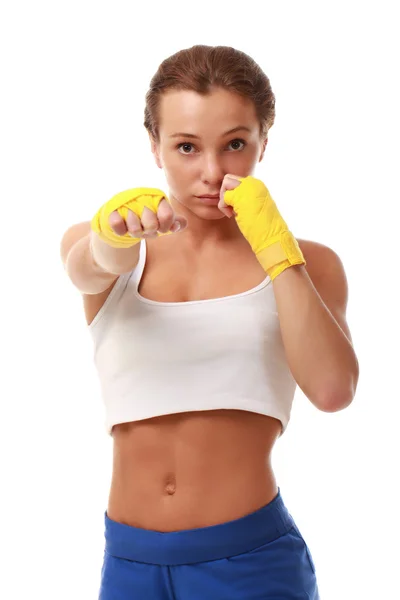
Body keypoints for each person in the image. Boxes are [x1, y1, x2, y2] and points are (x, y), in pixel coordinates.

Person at [61, 45, 359, 599]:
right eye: (187, 147)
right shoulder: (115, 243)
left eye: (236, 145)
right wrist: (110, 238)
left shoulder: (311, 263)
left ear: (263, 142)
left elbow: (332, 388)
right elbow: (87, 268)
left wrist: (278, 250)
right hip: (128, 564)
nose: (212, 172)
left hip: (250, 564)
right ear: (155, 146)